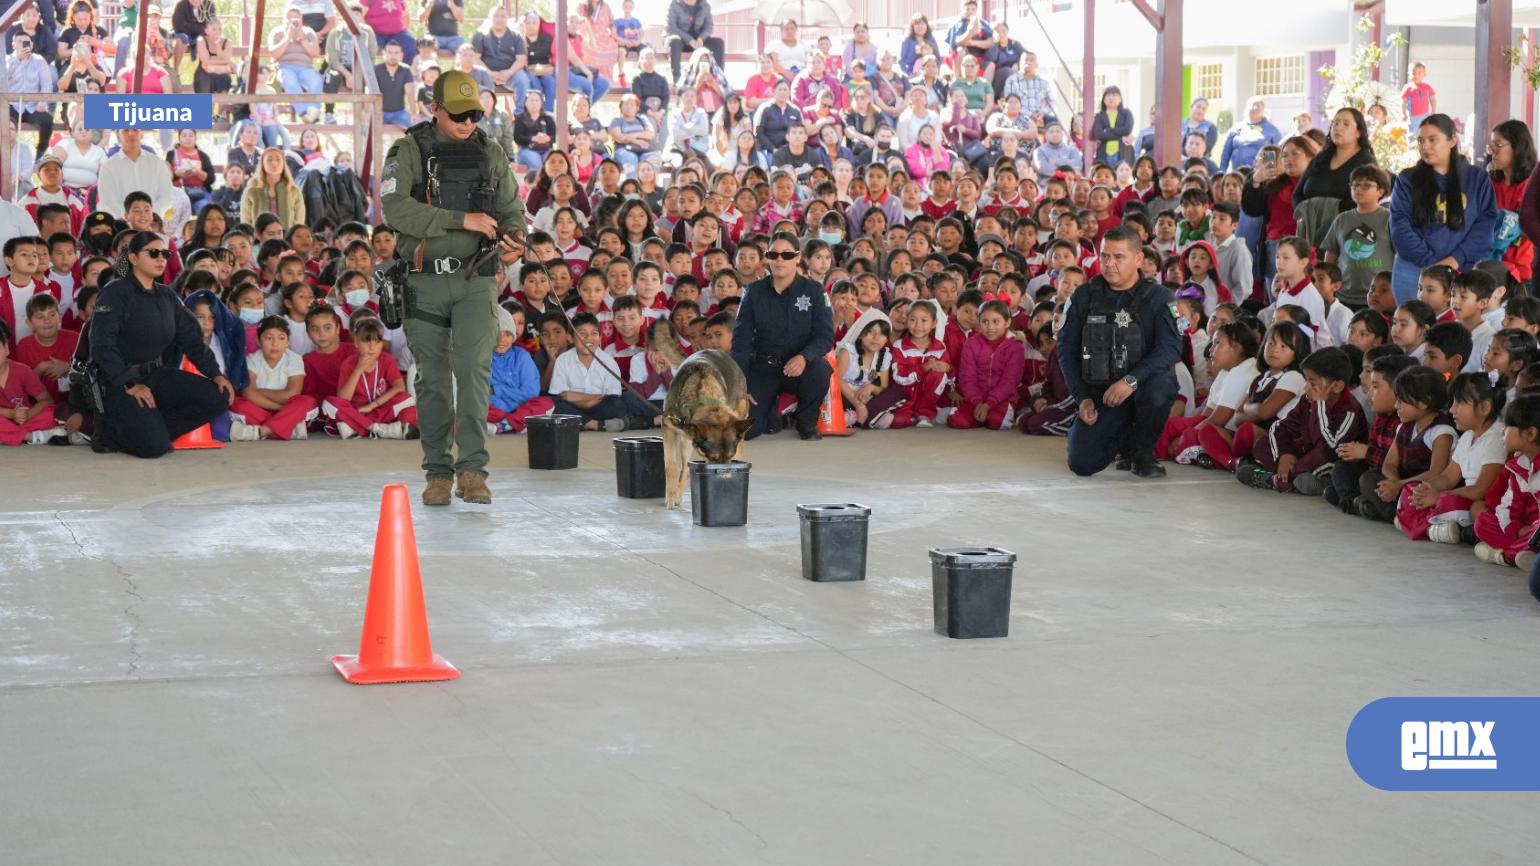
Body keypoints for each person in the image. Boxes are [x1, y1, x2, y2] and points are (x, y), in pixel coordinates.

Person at [380, 69, 525, 507]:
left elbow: (511, 206)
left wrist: (515, 236)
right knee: (434, 380)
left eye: (475, 114)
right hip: (424, 280)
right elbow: (395, 209)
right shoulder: (408, 149)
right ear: (434, 108)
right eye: (458, 114)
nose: (468, 123)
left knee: (474, 373)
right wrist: (460, 220)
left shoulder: (491, 151)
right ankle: (438, 472)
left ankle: (473, 471)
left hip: (476, 278)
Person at [87, 231, 234, 457]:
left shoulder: (166, 295)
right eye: (153, 253)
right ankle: (110, 431)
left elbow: (191, 339)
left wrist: (215, 374)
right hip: (119, 383)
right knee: (154, 448)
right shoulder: (115, 293)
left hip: (156, 375)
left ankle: (151, 428)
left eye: (164, 253)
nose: (161, 259)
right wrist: (129, 384)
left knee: (218, 396)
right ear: (134, 258)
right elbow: (101, 345)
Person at [1057, 226, 1182, 477]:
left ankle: (1143, 452)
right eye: (1105, 256)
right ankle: (1123, 442)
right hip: (1102, 393)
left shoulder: (1161, 298)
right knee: (1082, 463)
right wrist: (1082, 398)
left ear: (1138, 259)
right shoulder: (1084, 296)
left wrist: (1131, 381)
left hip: (1142, 387)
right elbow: (1065, 348)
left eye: (1118, 257)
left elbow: (1171, 348)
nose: (1109, 264)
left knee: (1161, 387)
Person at [731, 231, 835, 440]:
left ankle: (806, 421)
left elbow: (824, 336)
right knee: (747, 431)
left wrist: (804, 357)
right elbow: (741, 340)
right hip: (763, 368)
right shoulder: (754, 292)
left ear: (798, 257)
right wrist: (740, 384)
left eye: (787, 255)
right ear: (767, 257)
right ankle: (771, 412)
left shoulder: (814, 291)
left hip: (800, 367)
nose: (779, 260)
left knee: (821, 370)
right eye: (773, 254)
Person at [1389, 114, 1499, 302]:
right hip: (1413, 269)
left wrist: (1455, 259)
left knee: (1455, 330)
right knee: (1411, 327)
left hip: (1461, 267)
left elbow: (1485, 224)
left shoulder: (1477, 178)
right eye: (1421, 140)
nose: (1425, 146)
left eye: (1433, 140)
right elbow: (1399, 226)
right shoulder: (1407, 179)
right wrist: (1431, 264)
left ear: (1452, 141)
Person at [4, 30, 56, 158]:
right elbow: (3, 81)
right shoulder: (7, 60)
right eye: (19, 42)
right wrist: (19, 61)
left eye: (25, 42)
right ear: (13, 45)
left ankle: (40, 154)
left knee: (47, 120)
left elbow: (46, 84)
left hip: (32, 106)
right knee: (3, 120)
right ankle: (5, 154)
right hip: (12, 105)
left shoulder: (39, 60)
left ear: (31, 45)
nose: (23, 44)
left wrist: (42, 103)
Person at [664, 0, 722, 83]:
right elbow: (671, 27)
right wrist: (690, 40)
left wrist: (701, 38)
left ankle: (718, 80)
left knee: (718, 43)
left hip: (698, 41)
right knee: (674, 42)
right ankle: (677, 81)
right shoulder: (674, 4)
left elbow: (709, 27)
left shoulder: (704, 5)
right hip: (681, 40)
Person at [1220, 98, 1282, 173]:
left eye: (1258, 106)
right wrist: (1222, 171)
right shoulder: (1236, 128)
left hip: (1259, 175)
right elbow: (1226, 151)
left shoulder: (1272, 130)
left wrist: (1269, 174)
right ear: (1246, 109)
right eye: (1253, 105)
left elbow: (1277, 152)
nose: (1255, 108)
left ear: (1263, 111)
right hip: (1237, 175)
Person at [1090, 85, 1133, 169]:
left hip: (1122, 151)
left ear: (1120, 99)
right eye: (1108, 95)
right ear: (1104, 100)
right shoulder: (1099, 116)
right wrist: (1120, 135)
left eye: (1114, 95)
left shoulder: (1126, 113)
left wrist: (1108, 130)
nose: (1111, 98)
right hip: (1104, 153)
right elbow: (1099, 134)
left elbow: (1127, 130)